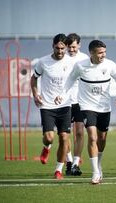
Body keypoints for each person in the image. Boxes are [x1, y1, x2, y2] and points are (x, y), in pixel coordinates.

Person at [55, 39, 116, 184]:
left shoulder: (110, 65)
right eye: (100, 53)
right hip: (87, 107)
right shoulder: (80, 66)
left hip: (104, 108)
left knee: (102, 139)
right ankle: (95, 172)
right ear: (91, 53)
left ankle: (98, 163)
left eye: (104, 52)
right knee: (92, 137)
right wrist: (62, 95)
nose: (103, 55)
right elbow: (70, 80)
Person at [30, 33, 74, 179]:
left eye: (63, 48)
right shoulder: (43, 62)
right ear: (53, 46)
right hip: (47, 105)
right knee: (49, 137)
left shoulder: (71, 62)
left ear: (66, 48)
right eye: (57, 48)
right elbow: (34, 78)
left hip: (65, 105)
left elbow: (74, 81)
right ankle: (46, 147)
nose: (60, 51)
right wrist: (36, 94)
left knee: (64, 138)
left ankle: (58, 170)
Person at [64, 33, 89, 175]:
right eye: (69, 47)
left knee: (79, 132)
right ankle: (68, 161)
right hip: (65, 101)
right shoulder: (62, 58)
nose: (71, 49)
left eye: (73, 47)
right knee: (65, 135)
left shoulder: (85, 58)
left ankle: (75, 164)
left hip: (80, 101)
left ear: (79, 45)